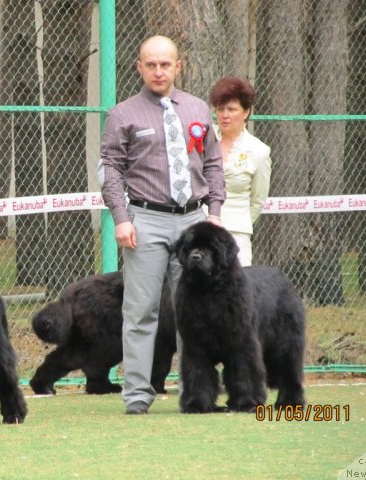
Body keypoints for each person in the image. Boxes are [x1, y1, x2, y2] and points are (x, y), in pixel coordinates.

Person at [100, 35, 225, 415]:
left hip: (193, 223)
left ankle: (196, 395)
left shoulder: (198, 108)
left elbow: (213, 164)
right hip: (146, 222)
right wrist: (121, 219)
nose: (158, 71)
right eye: (150, 64)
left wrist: (214, 212)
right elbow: (110, 171)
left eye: (165, 64)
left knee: (194, 312)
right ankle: (137, 397)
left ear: (178, 66)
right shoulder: (123, 114)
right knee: (141, 312)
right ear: (138, 67)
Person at [209, 76, 271, 266]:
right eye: (220, 109)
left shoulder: (259, 151)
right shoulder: (202, 138)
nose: (225, 115)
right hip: (200, 229)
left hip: (236, 234)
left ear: (246, 112)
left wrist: (239, 223)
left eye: (232, 109)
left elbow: (258, 199)